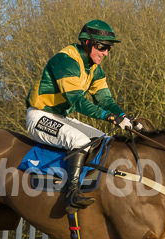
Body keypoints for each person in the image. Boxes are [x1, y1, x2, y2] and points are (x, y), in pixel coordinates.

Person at [26, 19, 139, 213]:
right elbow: (77, 101)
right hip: (39, 117)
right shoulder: (66, 61)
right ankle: (72, 193)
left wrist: (125, 118)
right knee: (80, 141)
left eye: (109, 48)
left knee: (104, 141)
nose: (106, 53)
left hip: (60, 118)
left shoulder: (95, 69)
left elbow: (105, 100)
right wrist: (109, 117)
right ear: (87, 43)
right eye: (102, 47)